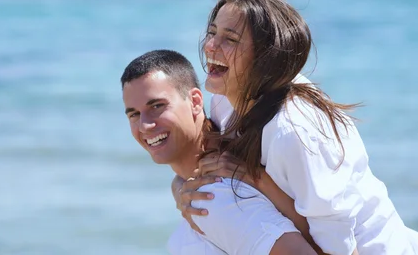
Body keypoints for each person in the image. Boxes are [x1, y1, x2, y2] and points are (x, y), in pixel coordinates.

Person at [175, 0, 418, 254]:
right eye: (212, 33)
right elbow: (216, 163)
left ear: (265, 58)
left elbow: (335, 249)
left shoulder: (294, 131)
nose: (210, 46)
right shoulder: (225, 98)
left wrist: (257, 179)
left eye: (230, 40)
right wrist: (182, 190)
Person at [121, 49, 318, 255]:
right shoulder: (199, 181)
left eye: (157, 106)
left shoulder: (214, 197)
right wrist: (178, 184)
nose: (145, 125)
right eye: (134, 115)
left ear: (196, 102)